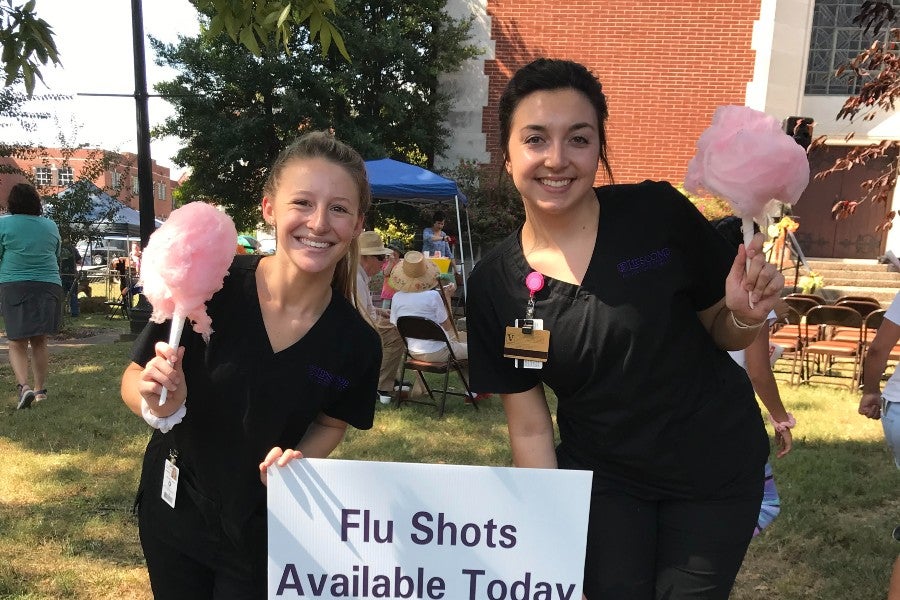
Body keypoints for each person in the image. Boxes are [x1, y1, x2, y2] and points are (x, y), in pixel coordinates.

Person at [465, 58, 782, 599]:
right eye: (536, 138)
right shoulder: (495, 282)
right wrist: (547, 526)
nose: (557, 159)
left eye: (579, 139)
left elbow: (721, 331)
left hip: (714, 469)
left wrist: (746, 315)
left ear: (599, 149)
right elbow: (531, 428)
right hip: (602, 480)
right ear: (507, 152)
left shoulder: (655, 213)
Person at [119, 131, 381, 599]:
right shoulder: (209, 288)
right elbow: (134, 377)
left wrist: (301, 461)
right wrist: (157, 402)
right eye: (302, 202)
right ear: (268, 209)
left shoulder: (356, 343)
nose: (318, 223)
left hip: (266, 523)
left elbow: (332, 421)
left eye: (339, 208)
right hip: (178, 509)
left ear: (358, 223)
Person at [713, 216, 795, 536]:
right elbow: (758, 371)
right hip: (733, 416)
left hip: (690, 411)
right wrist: (781, 419)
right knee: (765, 504)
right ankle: (713, 549)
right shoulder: (753, 301)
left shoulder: (696, 294)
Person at [0, 182, 63, 409]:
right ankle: (40, 391)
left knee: (16, 340)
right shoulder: (50, 226)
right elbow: (56, 252)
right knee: (40, 340)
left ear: (11, 203)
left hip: (15, 284)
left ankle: (23, 387)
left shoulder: (3, 224)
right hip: (48, 284)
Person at [389, 251, 472, 392]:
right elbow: (448, 326)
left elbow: (396, 326)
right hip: (439, 351)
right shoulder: (432, 296)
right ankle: (474, 391)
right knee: (476, 350)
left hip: (413, 351)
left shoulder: (397, 297)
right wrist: (448, 297)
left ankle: (472, 391)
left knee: (459, 346)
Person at [355, 230, 406, 403]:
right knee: (397, 335)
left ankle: (389, 378)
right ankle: (382, 385)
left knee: (397, 330)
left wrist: (380, 311)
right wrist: (379, 319)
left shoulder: (360, 275)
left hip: (363, 324)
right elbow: (360, 315)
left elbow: (364, 307)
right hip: (360, 329)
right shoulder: (356, 278)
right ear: (365, 258)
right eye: (380, 258)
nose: (383, 262)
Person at [59, 242, 81, 317]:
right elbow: (79, 261)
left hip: (61, 274)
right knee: (74, 295)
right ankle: (74, 312)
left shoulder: (59, 248)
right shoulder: (73, 249)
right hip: (72, 275)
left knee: (62, 295)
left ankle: (61, 312)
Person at [380, 240, 404, 310]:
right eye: (391, 250)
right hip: (388, 294)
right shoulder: (387, 262)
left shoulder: (402, 263)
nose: (393, 252)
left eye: (395, 250)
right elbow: (386, 273)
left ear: (399, 252)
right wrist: (390, 262)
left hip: (400, 293)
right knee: (385, 313)